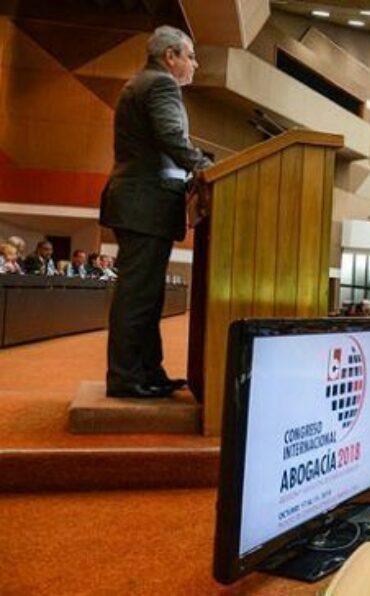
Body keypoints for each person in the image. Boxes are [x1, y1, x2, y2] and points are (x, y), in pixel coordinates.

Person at [99, 26, 212, 398]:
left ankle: (148, 371)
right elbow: (170, 137)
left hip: (139, 203)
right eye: (190, 56)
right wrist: (203, 165)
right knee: (138, 295)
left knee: (146, 295)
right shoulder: (160, 85)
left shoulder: (144, 83)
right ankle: (126, 377)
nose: (195, 64)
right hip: (143, 203)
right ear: (171, 57)